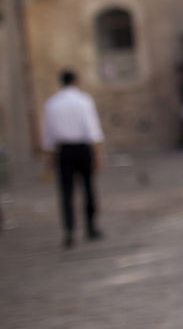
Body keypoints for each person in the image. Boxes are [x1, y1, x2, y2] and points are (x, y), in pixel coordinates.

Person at [40, 69, 105, 248]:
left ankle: (69, 231)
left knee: (66, 192)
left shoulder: (51, 104)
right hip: (82, 149)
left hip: (63, 151)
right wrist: (98, 154)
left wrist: (48, 158)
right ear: (75, 81)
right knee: (88, 188)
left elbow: (48, 135)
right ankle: (91, 227)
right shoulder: (84, 101)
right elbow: (92, 130)